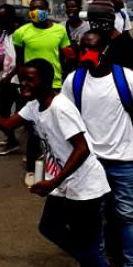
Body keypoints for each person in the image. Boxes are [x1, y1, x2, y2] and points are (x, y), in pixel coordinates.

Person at [0, 59, 110, 266]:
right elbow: (6, 124)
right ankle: (91, 260)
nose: (24, 84)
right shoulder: (34, 105)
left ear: (47, 81)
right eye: (22, 79)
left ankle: (94, 261)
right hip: (64, 184)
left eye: (30, 80)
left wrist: (53, 181)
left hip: (85, 186)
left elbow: (82, 148)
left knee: (88, 245)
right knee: (50, 227)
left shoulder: (60, 108)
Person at [61, 30, 133, 265]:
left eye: (90, 48)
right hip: (91, 163)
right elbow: (65, 119)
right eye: (82, 49)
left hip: (125, 162)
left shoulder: (128, 79)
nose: (85, 53)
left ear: (106, 51)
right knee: (93, 219)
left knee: (128, 217)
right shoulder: (75, 81)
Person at [13, 0, 71, 186]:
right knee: (35, 130)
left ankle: (58, 167)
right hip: (32, 87)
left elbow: (65, 57)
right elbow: (19, 62)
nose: (36, 11)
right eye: (32, 9)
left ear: (47, 9)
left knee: (58, 129)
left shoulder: (59, 30)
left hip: (55, 85)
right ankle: (32, 170)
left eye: (39, 8)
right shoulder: (21, 33)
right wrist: (23, 84)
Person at [0, 4, 26, 156]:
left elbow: (22, 60)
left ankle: (33, 150)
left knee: (23, 115)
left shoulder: (20, 33)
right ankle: (12, 139)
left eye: (2, 17)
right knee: (2, 112)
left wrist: (8, 78)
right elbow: (5, 56)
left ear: (10, 16)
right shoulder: (5, 34)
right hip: (7, 79)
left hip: (20, 80)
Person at [88, 0, 133, 70]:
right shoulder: (90, 41)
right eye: (92, 21)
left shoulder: (125, 43)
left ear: (111, 19)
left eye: (100, 21)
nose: (95, 26)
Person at [63, 0, 90, 73]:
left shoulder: (88, 28)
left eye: (73, 6)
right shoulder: (61, 28)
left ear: (80, 9)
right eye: (68, 7)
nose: (70, 9)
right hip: (66, 70)